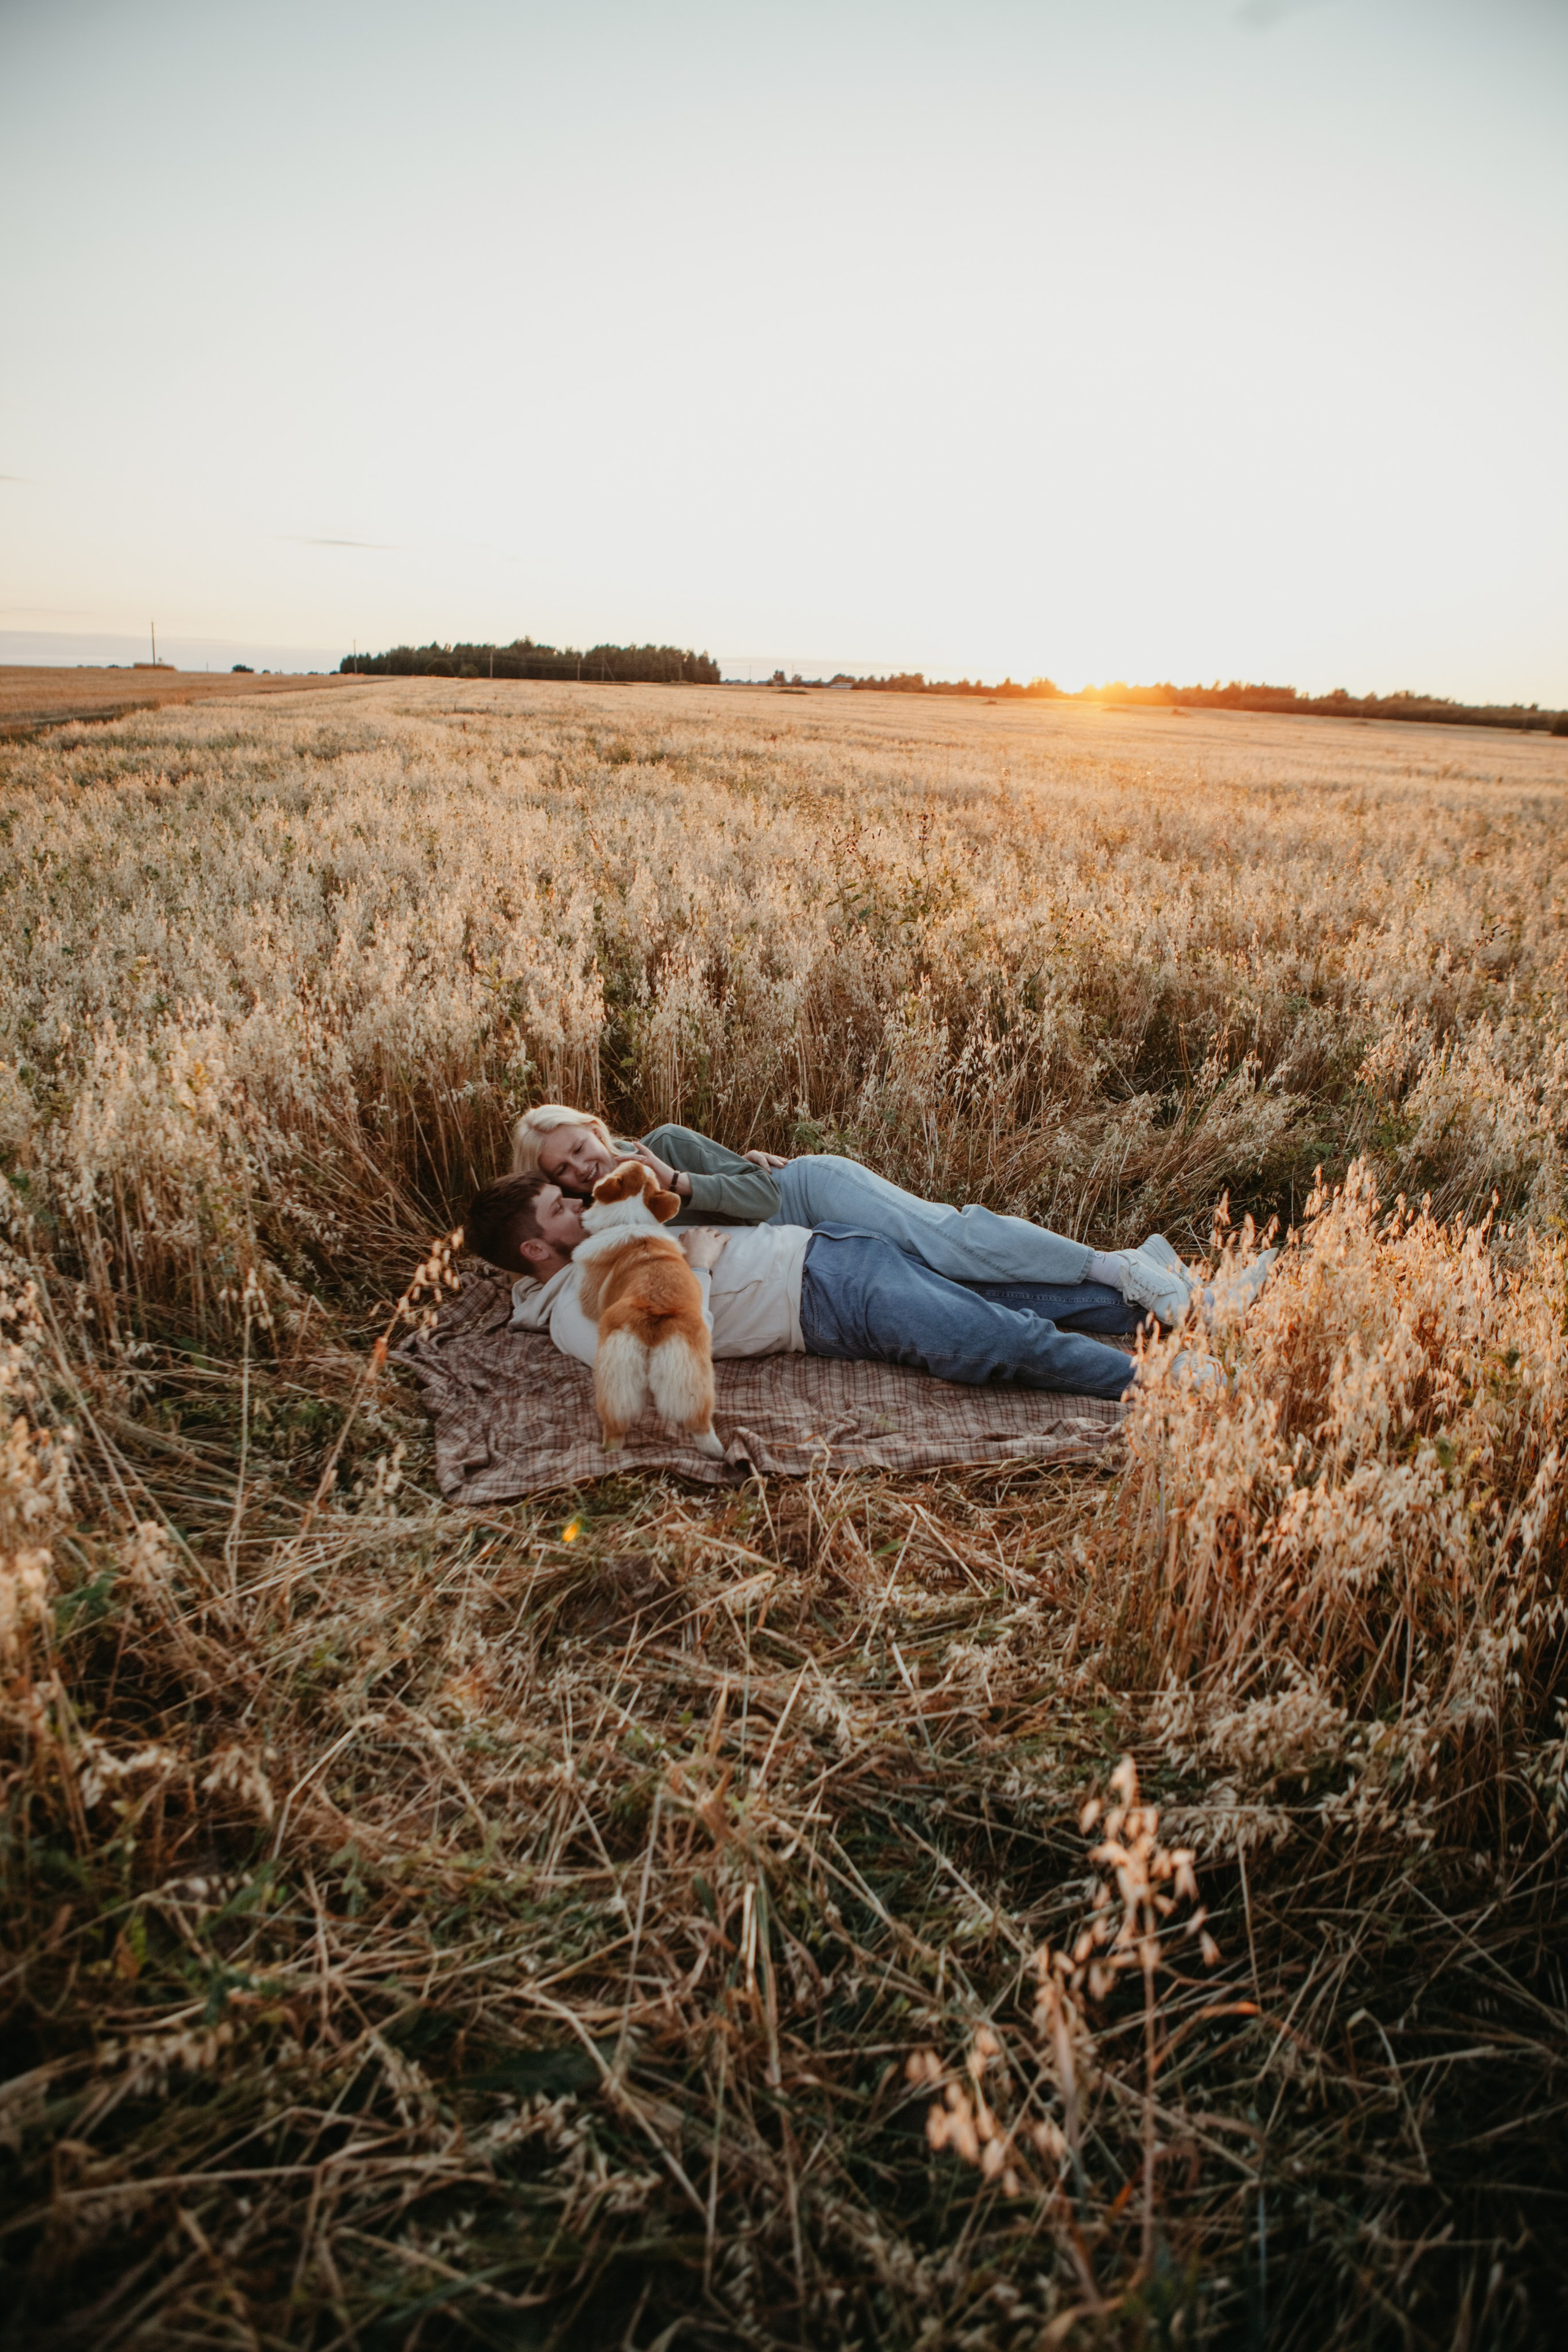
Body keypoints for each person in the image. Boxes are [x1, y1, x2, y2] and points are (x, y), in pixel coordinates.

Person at [466, 1171, 1150, 1403]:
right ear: (535, 1250)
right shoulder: (572, 1315)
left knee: (994, 1315)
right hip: (824, 1298)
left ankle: (1168, 1317)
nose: (578, 1204)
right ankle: (1163, 1362)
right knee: (993, 1330)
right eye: (560, 1208)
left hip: (829, 1254)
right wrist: (698, 1266)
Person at [508, 1103, 1200, 1329]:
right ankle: (1140, 1294)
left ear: (594, 1129)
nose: (581, 1169)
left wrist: (680, 1182)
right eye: (562, 1171)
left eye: (579, 1149)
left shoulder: (660, 1145)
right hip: (813, 1256)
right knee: (963, 1288)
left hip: (812, 1196)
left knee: (951, 1241)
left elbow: (760, 1193)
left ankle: (1118, 1267)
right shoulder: (605, 1223)